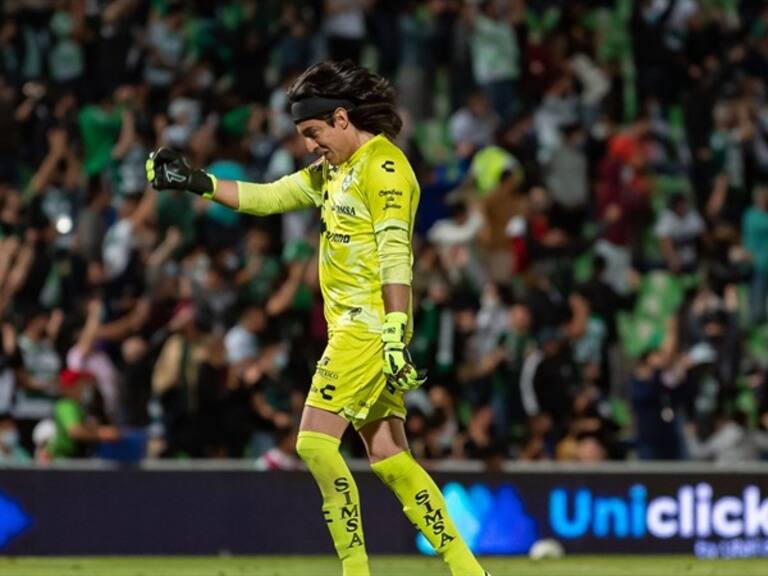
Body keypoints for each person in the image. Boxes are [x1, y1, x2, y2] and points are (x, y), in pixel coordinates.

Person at [146, 60, 490, 576]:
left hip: (370, 328)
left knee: (312, 442)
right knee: (392, 458)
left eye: (313, 132)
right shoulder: (332, 172)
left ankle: (356, 572)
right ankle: (469, 571)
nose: (309, 145)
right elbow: (266, 197)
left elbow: (397, 254)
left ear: (342, 118)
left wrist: (396, 329)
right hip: (357, 328)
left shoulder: (385, 168)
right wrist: (196, 181)